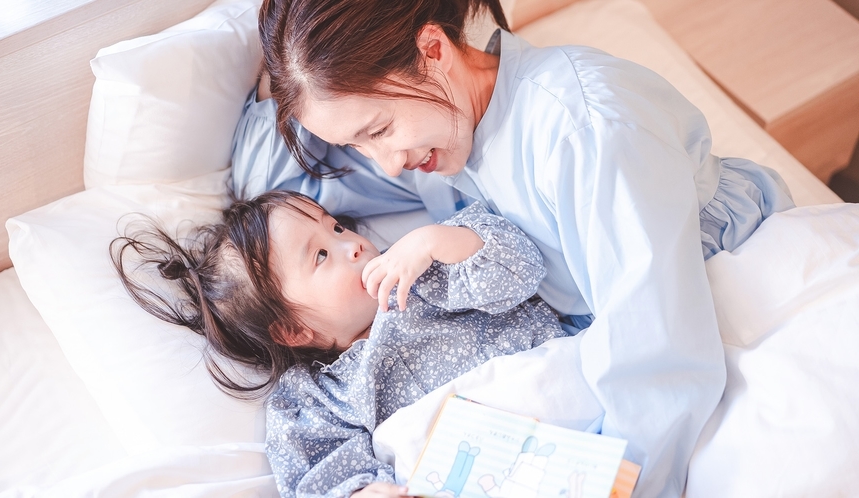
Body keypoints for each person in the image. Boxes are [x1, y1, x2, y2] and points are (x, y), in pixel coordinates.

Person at [236, 0, 799, 496]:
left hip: (719, 278)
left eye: (377, 130)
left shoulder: (583, 132)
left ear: (433, 50)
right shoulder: (438, 138)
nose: (385, 165)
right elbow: (267, 189)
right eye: (356, 144)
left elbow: (658, 361)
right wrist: (292, 65)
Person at [111, 191, 587, 498]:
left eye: (336, 227)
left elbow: (522, 267)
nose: (352, 244)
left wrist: (434, 241)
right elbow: (317, 475)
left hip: (563, 398)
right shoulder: (316, 396)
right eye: (321, 255)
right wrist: (364, 492)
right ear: (293, 331)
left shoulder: (422, 269)